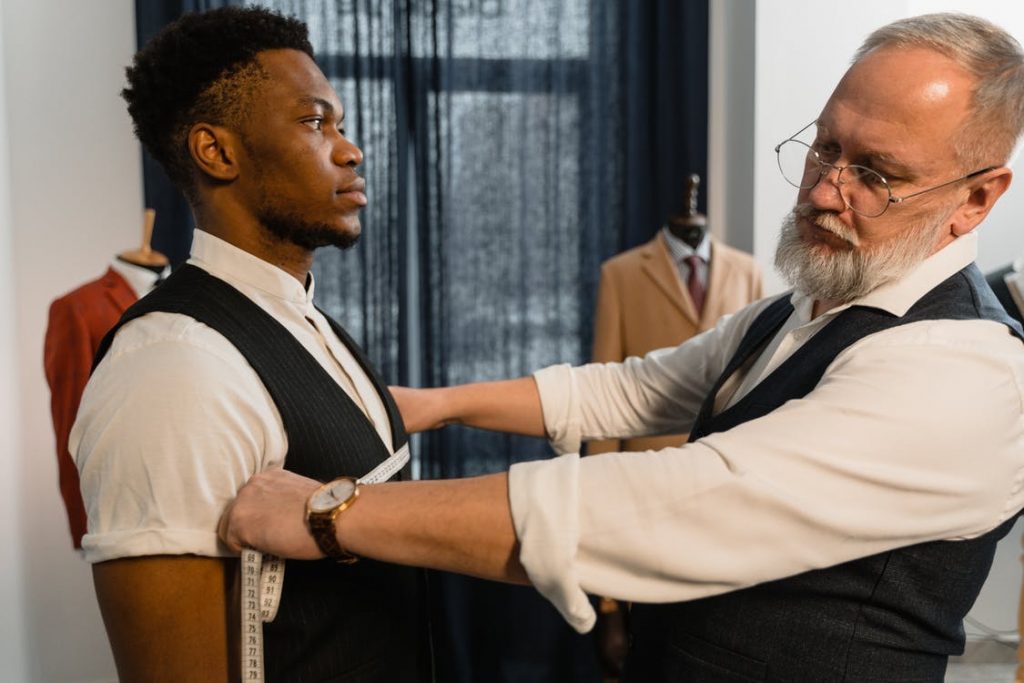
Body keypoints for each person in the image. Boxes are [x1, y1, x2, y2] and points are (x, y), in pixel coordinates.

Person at [220, 12, 1024, 681]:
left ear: (977, 198)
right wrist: (425, 405)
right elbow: (631, 390)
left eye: (876, 174)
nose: (820, 191)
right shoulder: (799, 310)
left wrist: (330, 512)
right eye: (825, 147)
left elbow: (673, 506)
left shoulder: (968, 375)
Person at [71, 7, 428, 682]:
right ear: (217, 152)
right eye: (315, 122)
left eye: (341, 124)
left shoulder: (305, 319)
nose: (350, 150)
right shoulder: (172, 366)